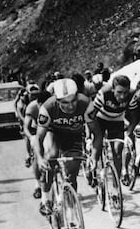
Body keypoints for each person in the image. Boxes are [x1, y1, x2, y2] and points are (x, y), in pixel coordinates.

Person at [34, 78, 99, 215]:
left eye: (73, 101)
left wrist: (94, 156)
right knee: (51, 157)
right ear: (56, 100)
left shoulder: (86, 103)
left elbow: (97, 134)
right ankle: (46, 199)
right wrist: (40, 158)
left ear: (77, 96)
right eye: (64, 103)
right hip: (53, 132)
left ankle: (71, 212)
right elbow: (39, 138)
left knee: (72, 172)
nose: (70, 106)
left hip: (74, 134)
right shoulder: (47, 107)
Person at [86, 75, 135, 181]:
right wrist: (89, 136)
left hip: (117, 120)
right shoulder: (104, 93)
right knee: (97, 147)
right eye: (119, 92)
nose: (122, 96)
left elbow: (133, 116)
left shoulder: (132, 95)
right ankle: (92, 167)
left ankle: (116, 185)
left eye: (125, 93)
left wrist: (129, 133)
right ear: (113, 89)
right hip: (100, 119)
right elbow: (91, 116)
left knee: (118, 152)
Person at [23, 90, 51, 199]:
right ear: (38, 104)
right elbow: (26, 126)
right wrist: (30, 137)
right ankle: (37, 184)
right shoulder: (32, 107)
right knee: (37, 152)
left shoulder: (54, 105)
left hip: (49, 129)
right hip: (35, 130)